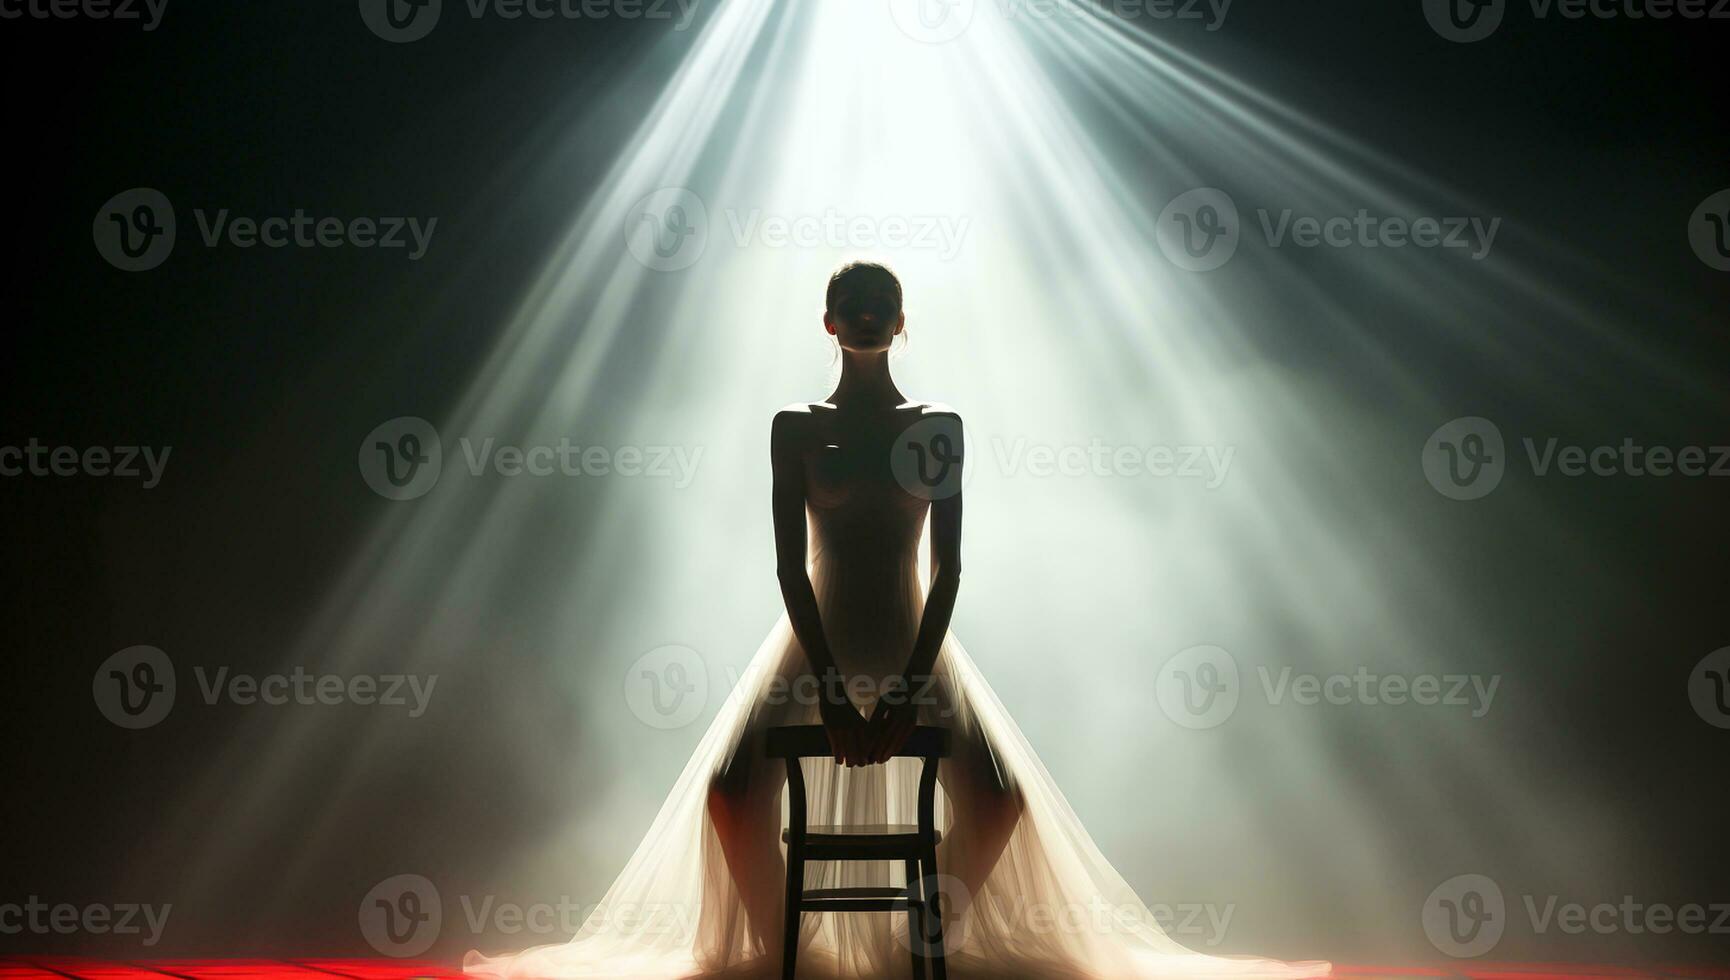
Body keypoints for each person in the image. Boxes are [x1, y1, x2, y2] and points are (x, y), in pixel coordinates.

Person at [466, 262, 1329, 979]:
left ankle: (918, 945)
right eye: (855, 304)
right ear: (830, 321)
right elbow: (785, 566)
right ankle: (787, 953)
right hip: (815, 639)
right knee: (730, 792)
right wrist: (832, 690)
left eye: (883, 304)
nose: (870, 314)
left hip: (914, 632)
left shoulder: (937, 427)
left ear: (902, 321)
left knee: (999, 798)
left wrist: (915, 684)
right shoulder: (795, 428)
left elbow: (951, 567)